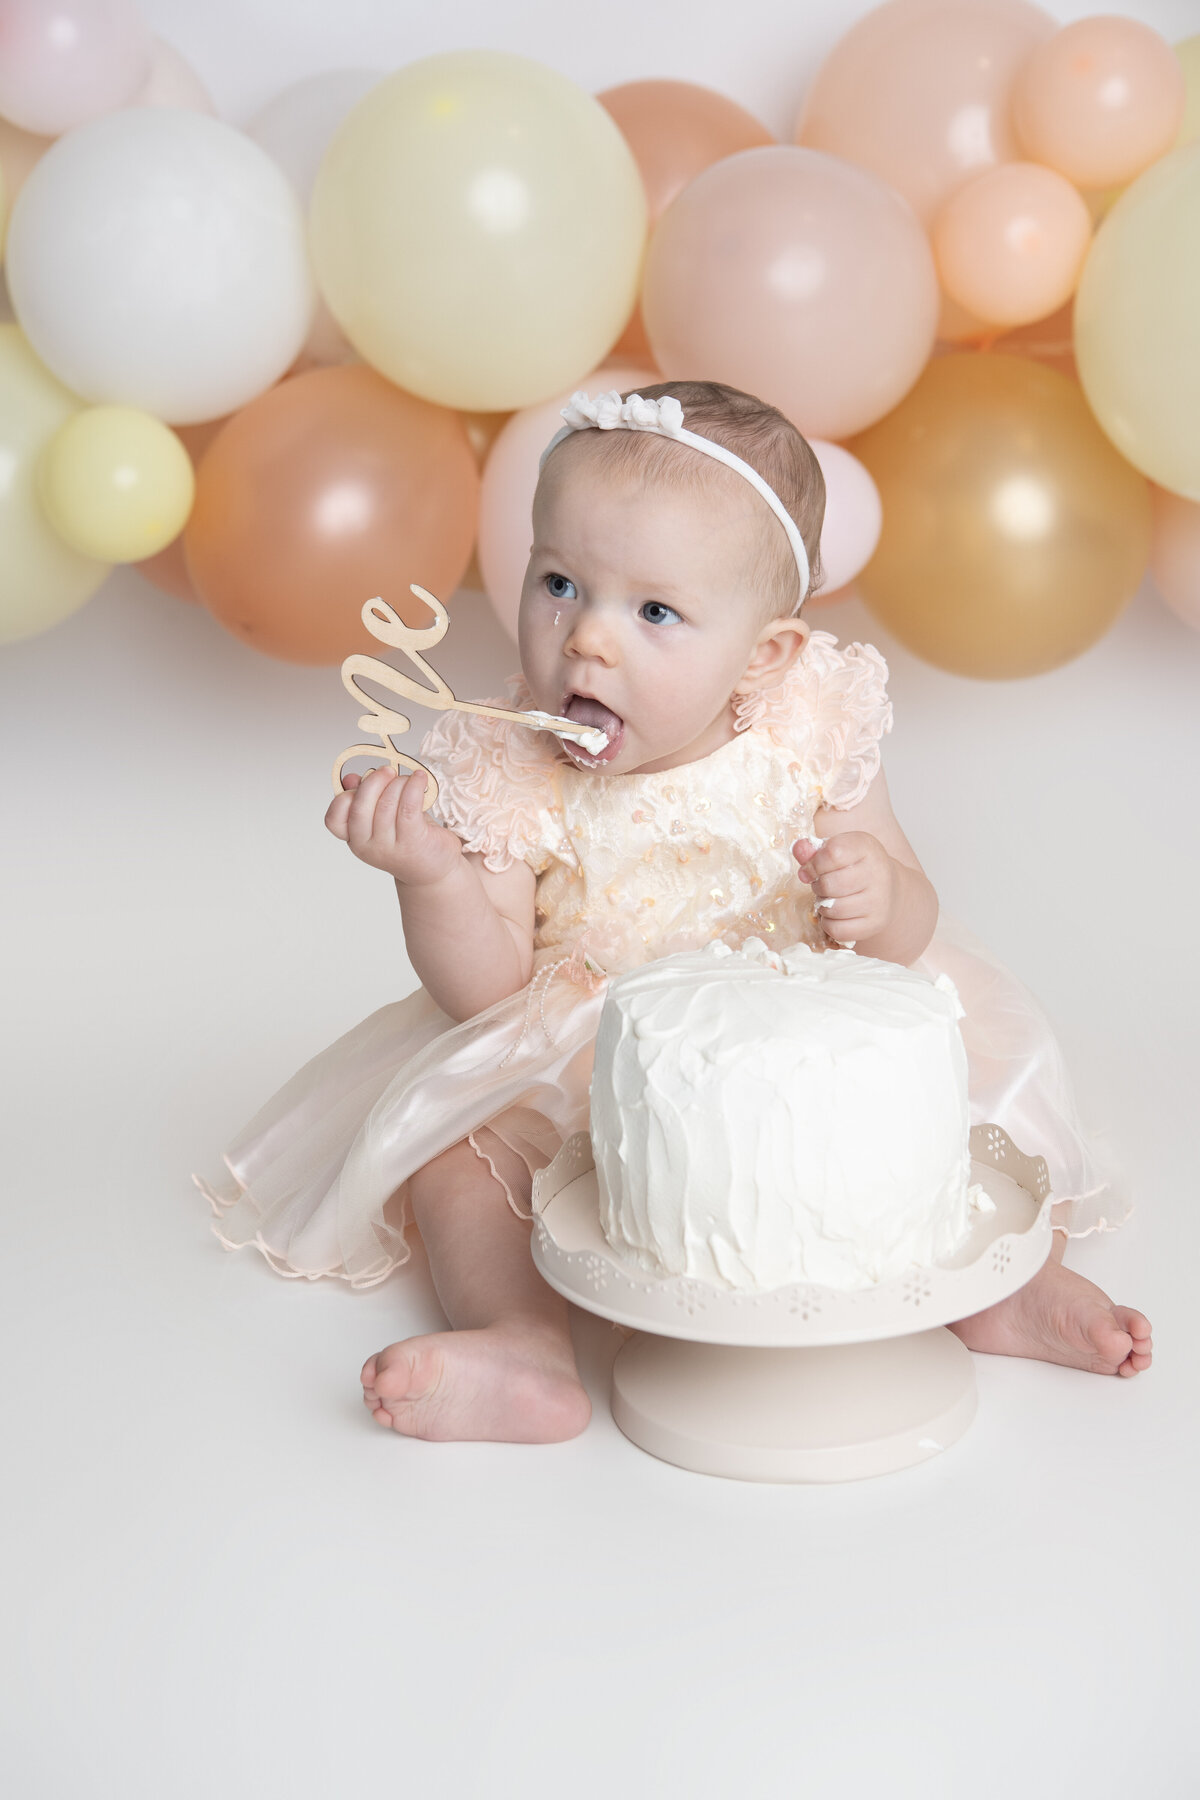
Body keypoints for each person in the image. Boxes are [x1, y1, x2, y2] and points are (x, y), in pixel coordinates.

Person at [193, 380, 1152, 1444]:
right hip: (588, 1052)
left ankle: (1008, 1285)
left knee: (958, 1088)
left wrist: (877, 900)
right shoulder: (512, 762)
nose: (587, 640)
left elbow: (910, 919)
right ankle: (521, 1340)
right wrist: (432, 877)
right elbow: (487, 992)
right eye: (559, 582)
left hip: (806, 1032)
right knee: (457, 1154)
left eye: (654, 612)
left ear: (766, 654)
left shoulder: (804, 723)